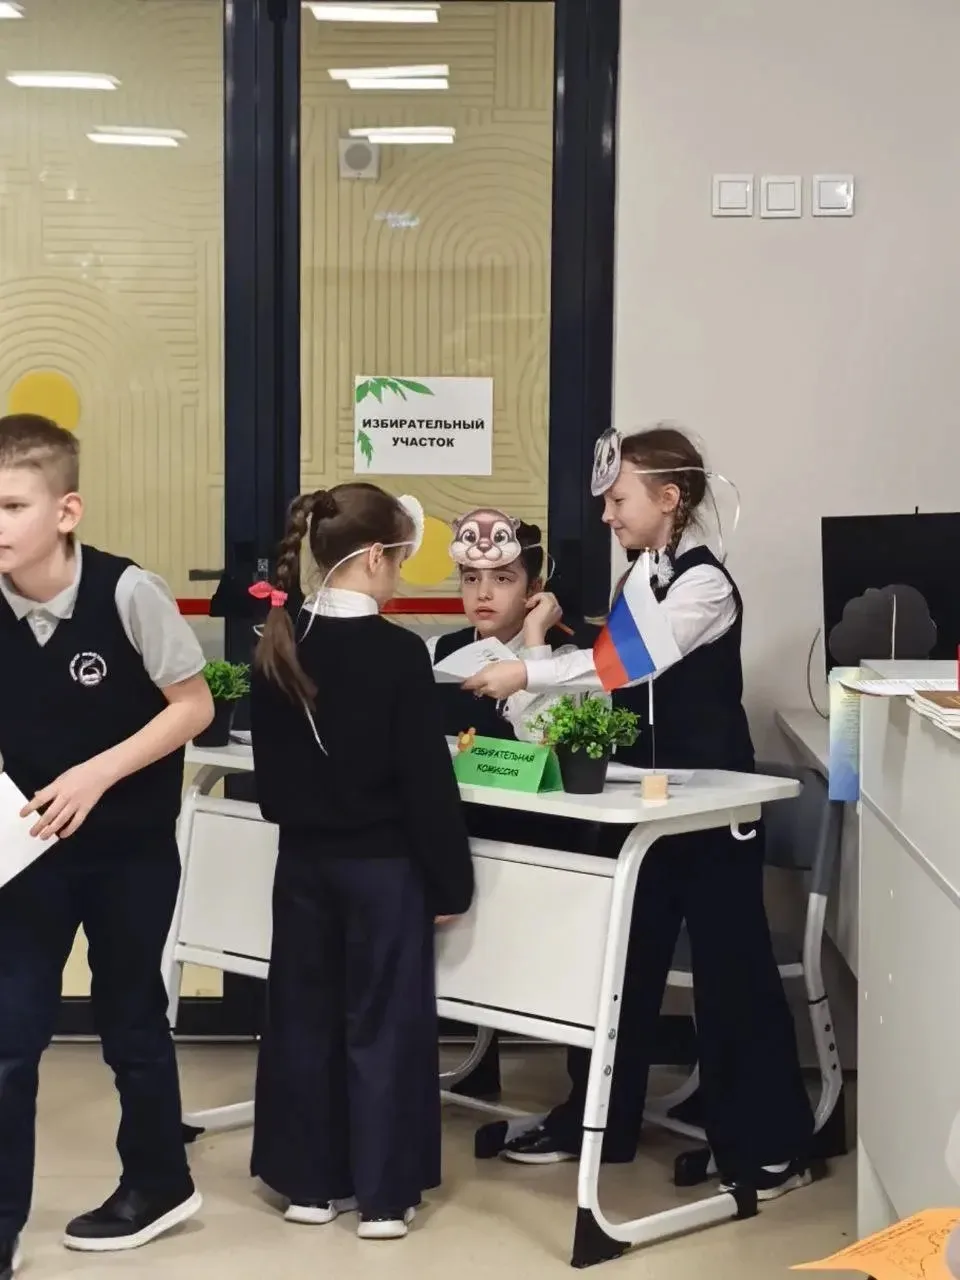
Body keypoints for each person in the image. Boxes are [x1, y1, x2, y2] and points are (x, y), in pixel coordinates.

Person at [464, 425, 815, 1199]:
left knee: (732, 975)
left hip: (716, 806)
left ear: (669, 498)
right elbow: (611, 683)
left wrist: (526, 670)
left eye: (619, 500)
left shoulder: (704, 588)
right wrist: (535, 653)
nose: (607, 515)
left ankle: (771, 1146)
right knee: (619, 965)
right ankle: (602, 1122)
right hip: (646, 808)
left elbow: (623, 664)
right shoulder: (638, 580)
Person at [0, 414, 213, 1279]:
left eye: (12, 505)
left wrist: (94, 775)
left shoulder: (130, 593)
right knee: (10, 1035)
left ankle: (160, 1183)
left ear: (67, 511)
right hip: (26, 859)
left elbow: (193, 707)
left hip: (128, 852)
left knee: (130, 1020)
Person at [249, 482, 474, 1242]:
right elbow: (425, 783)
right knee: (384, 1027)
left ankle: (311, 1187)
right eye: (401, 560)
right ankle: (383, 1196)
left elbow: (272, 785)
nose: (400, 575)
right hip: (383, 871)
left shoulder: (277, 644)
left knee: (303, 1021)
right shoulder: (398, 653)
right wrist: (450, 880)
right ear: (375, 557)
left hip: (301, 867)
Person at [427, 510, 588, 1101]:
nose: (484, 593)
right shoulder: (442, 651)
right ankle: (476, 1062)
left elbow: (552, 741)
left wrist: (537, 646)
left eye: (503, 579)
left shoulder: (569, 655)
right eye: (471, 579)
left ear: (534, 589)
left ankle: (580, 1095)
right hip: (466, 831)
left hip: (548, 837)